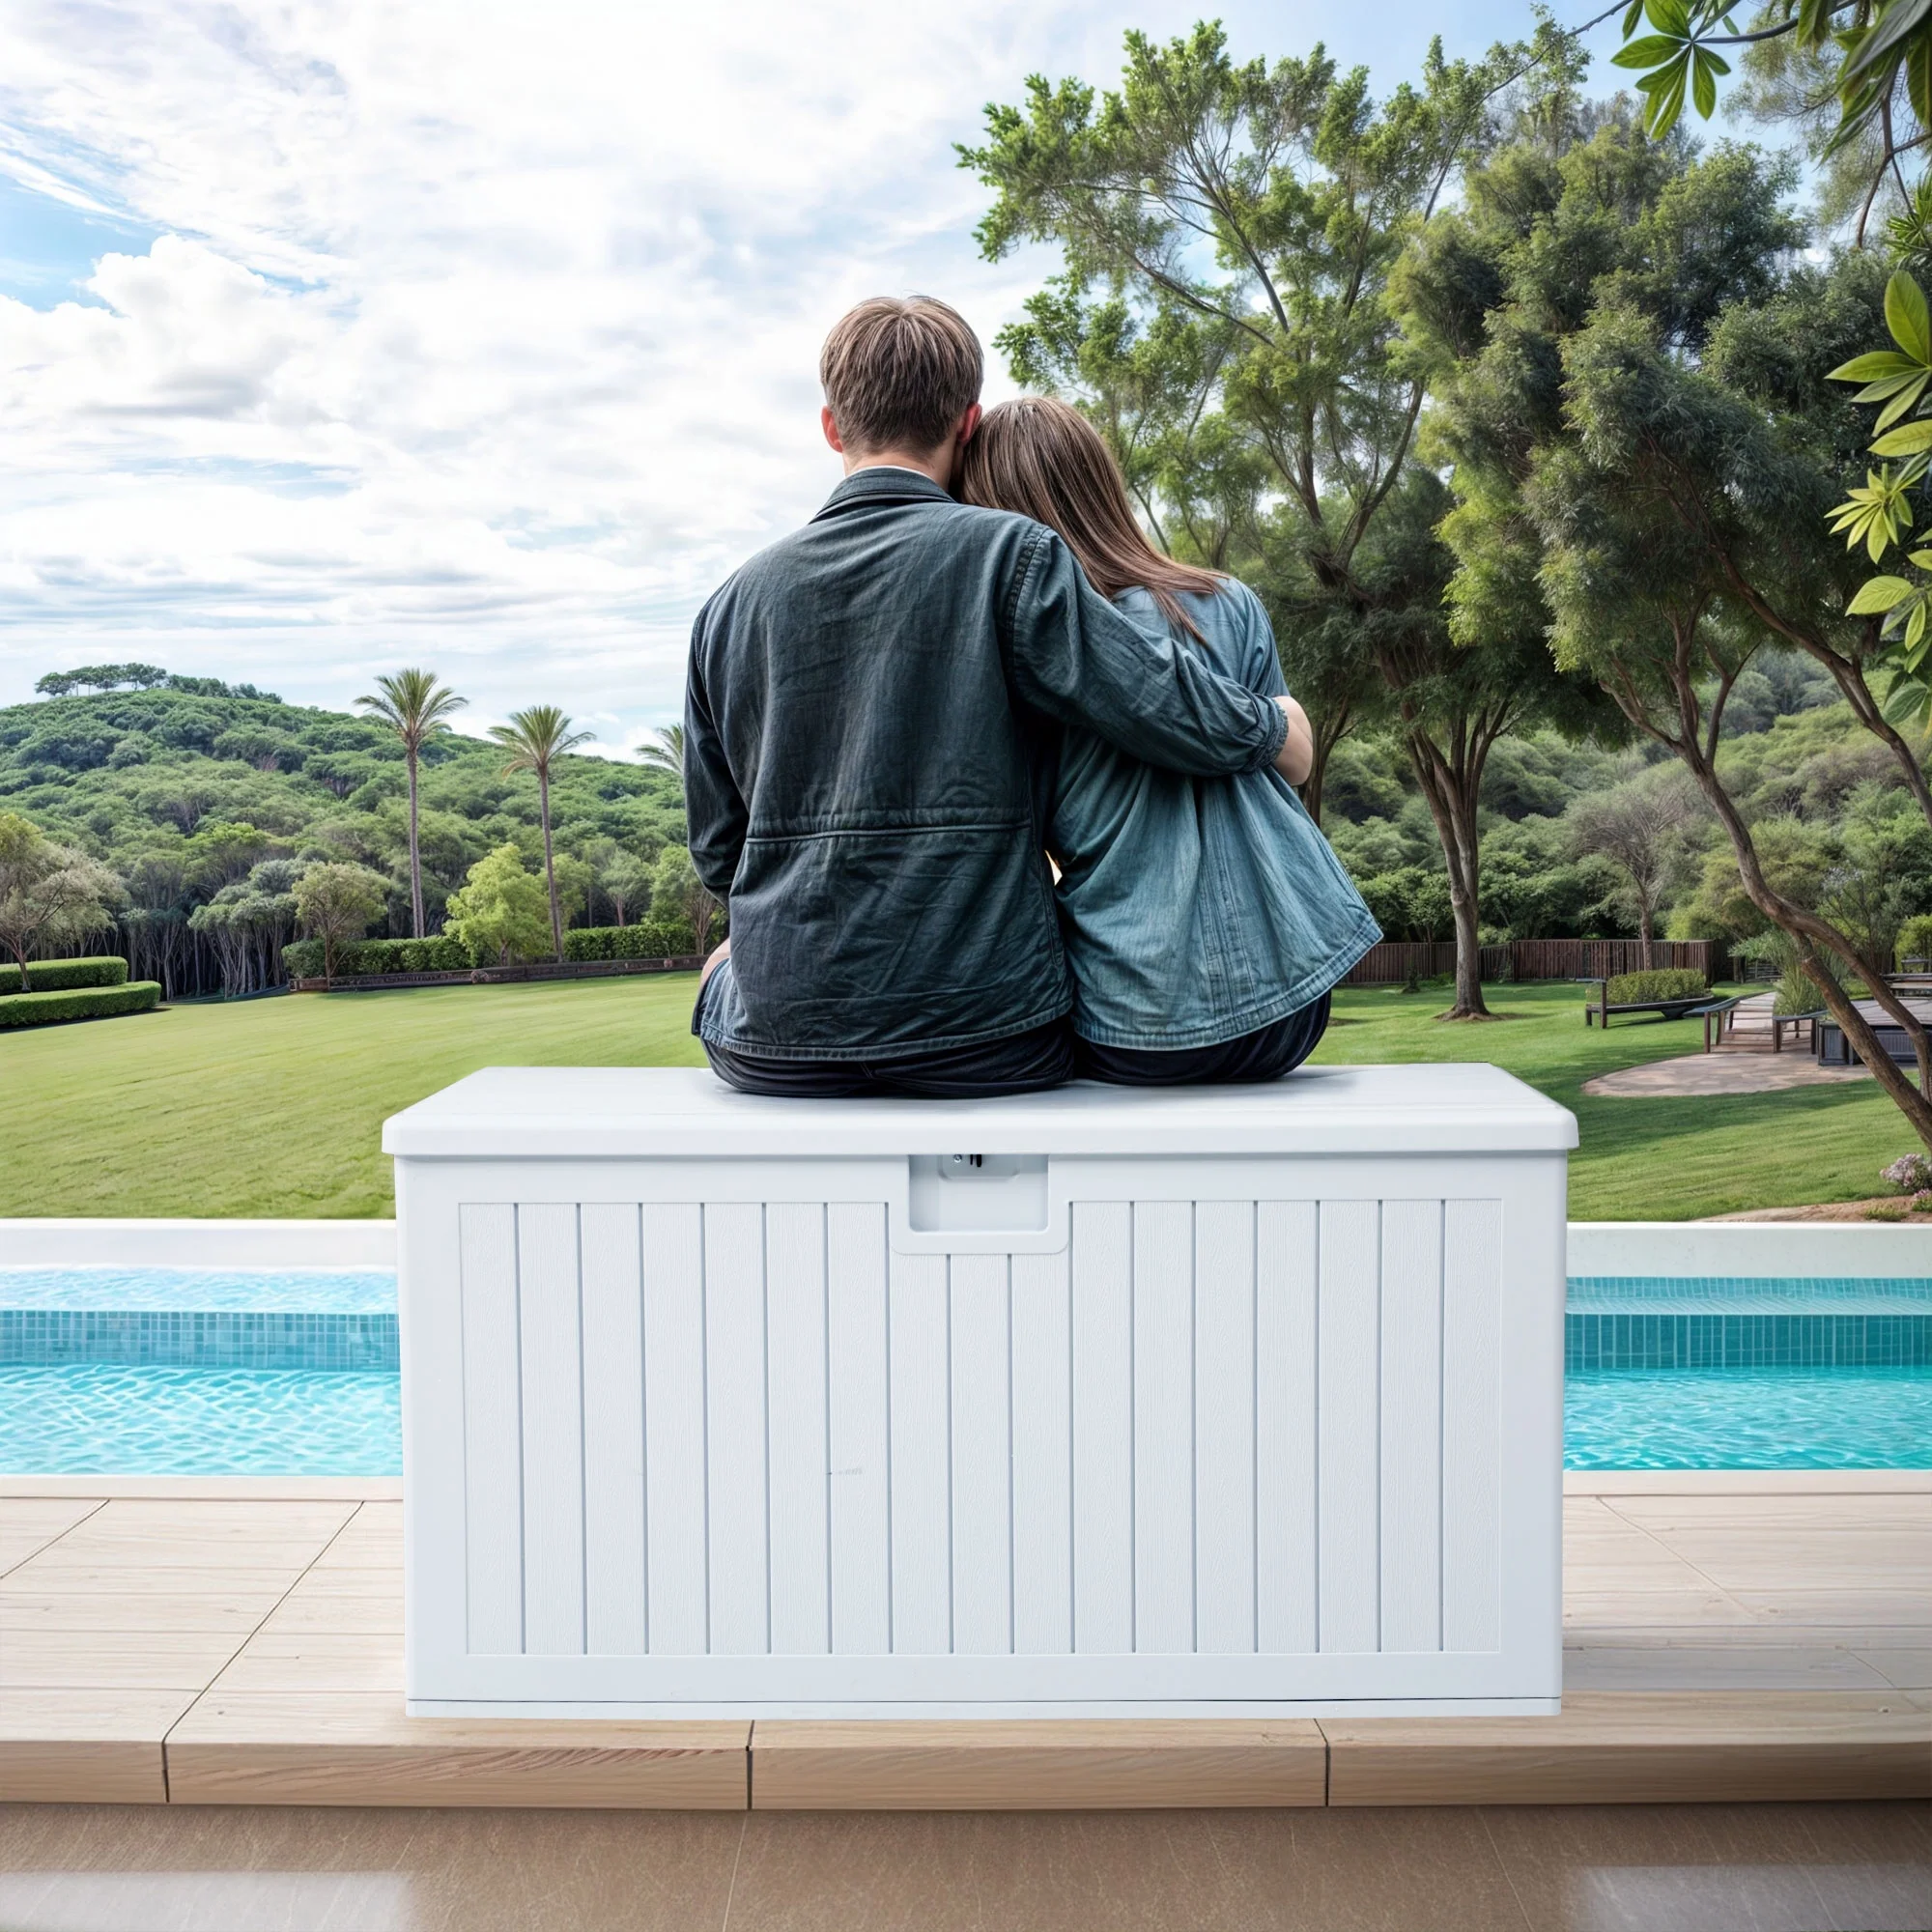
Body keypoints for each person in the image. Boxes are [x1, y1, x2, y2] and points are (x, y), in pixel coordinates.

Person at [682, 296, 1307, 1096]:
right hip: (991, 1040)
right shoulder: (1013, 556)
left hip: (777, 1044)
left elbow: (718, 853)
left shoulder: (725, 608)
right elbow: (1152, 698)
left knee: (719, 965)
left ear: (833, 426)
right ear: (968, 422)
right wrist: (1272, 729)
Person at [957, 396, 1379, 1084]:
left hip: (1134, 1024)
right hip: (1296, 1005)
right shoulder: (1228, 601)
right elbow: (1295, 756)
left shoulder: (1027, 654)